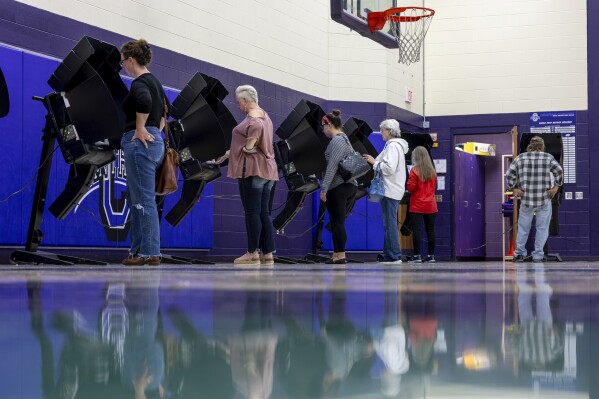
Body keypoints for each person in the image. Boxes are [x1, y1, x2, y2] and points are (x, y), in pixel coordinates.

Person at [216, 85, 279, 266]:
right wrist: (229, 154)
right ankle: (267, 253)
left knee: (251, 212)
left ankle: (252, 253)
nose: (238, 106)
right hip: (268, 170)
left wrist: (247, 148)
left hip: (253, 170)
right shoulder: (265, 115)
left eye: (238, 102)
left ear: (245, 100)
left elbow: (252, 138)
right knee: (263, 213)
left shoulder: (253, 118)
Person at [119, 39, 168, 266]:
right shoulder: (155, 82)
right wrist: (155, 130)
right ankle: (137, 250)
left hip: (141, 144)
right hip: (154, 143)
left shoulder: (139, 82)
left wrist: (140, 128)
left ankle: (150, 252)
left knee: (142, 201)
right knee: (137, 199)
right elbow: (167, 110)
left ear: (130, 60)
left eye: (122, 62)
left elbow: (144, 101)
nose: (123, 67)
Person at [506, 136, 563, 262]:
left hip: (526, 199)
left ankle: (519, 254)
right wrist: (555, 188)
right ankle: (538, 255)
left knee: (523, 228)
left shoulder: (520, 158)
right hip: (544, 199)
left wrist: (515, 188)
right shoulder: (548, 157)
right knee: (542, 229)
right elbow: (559, 171)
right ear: (542, 146)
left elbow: (509, 174)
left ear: (530, 146)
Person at [363, 119, 409, 264]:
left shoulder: (393, 147)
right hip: (392, 189)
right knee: (389, 224)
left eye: (383, 130)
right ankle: (389, 255)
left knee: (389, 225)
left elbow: (389, 168)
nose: (381, 132)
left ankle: (394, 255)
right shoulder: (394, 146)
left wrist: (373, 162)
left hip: (390, 190)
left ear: (389, 131)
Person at [320, 110, 358, 264]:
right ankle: (336, 255)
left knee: (337, 222)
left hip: (339, 187)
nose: (323, 130)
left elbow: (332, 166)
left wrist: (324, 188)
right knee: (337, 222)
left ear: (329, 125)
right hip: (348, 186)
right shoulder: (345, 139)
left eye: (323, 126)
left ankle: (340, 255)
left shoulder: (337, 141)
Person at [406, 146, 437, 263]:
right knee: (431, 230)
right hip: (431, 205)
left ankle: (417, 255)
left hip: (417, 205)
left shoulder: (414, 170)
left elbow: (410, 187)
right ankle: (431, 256)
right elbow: (434, 187)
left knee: (417, 231)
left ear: (416, 157)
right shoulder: (432, 171)